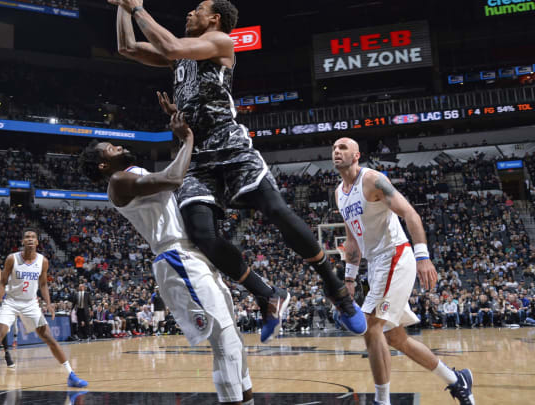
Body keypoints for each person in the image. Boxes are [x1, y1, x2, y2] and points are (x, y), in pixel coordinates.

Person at [109, 0, 364, 341]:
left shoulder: (220, 43)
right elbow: (126, 47)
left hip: (230, 145)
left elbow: (169, 45)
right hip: (197, 155)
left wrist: (137, 8)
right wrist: (122, 9)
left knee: (276, 209)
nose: (189, 13)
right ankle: (268, 295)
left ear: (214, 19)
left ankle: (336, 288)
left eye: (196, 9)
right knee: (202, 235)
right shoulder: (182, 57)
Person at [78, 112, 253, 405]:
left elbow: (174, 173)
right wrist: (187, 138)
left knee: (231, 336)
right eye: (110, 147)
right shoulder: (119, 181)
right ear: (103, 164)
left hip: (188, 253)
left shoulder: (134, 172)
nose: (118, 146)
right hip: (175, 255)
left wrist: (183, 121)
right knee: (224, 341)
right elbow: (173, 178)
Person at [332, 137, 474, 405]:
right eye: (334, 149)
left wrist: (423, 257)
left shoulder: (373, 180)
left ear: (356, 155)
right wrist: (349, 277)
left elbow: (411, 214)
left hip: (396, 254)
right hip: (376, 265)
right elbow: (352, 240)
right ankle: (457, 380)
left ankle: (381, 401)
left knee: (370, 325)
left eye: (342, 148)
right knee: (396, 338)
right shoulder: (339, 193)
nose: (336, 152)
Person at [0, 230, 87, 393]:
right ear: (22, 241)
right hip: (11, 301)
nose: (29, 239)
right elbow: (2, 283)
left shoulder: (43, 261)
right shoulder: (12, 258)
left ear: (37, 242)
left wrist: (48, 303)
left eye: (33, 237)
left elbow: (43, 285)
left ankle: (71, 375)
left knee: (48, 337)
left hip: (30, 303)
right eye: (27, 237)